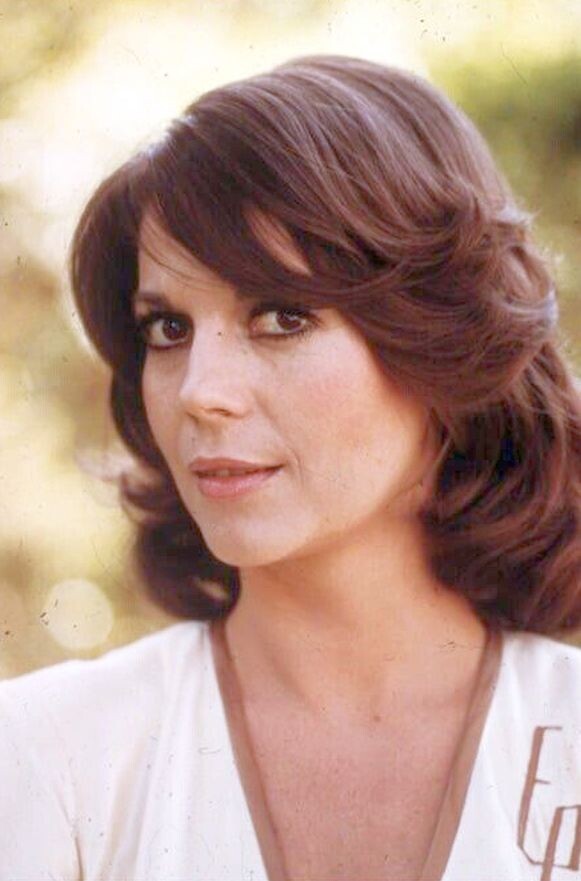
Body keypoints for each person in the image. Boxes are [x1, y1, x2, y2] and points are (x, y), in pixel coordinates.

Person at [0, 54, 580, 881]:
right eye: (168, 329)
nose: (199, 392)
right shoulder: (46, 757)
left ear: (442, 340)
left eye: (281, 317)